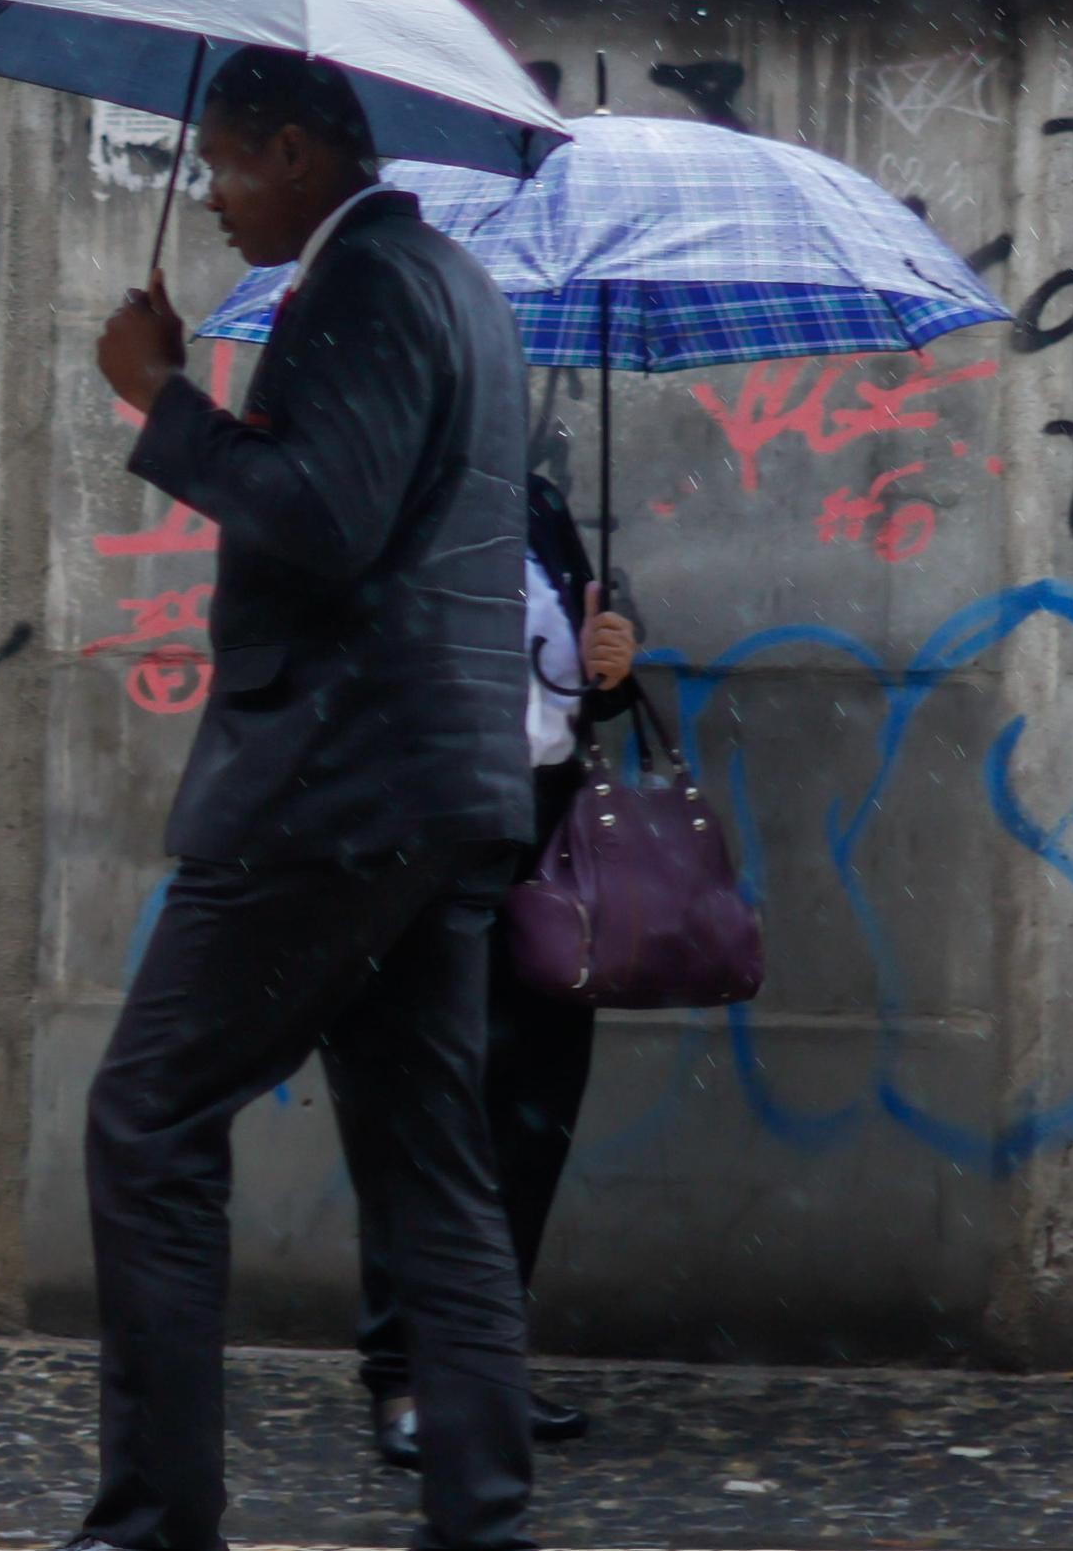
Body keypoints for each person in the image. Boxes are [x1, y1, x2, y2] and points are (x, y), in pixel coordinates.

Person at [76, 46, 540, 1551]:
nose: (208, 200)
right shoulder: (454, 282)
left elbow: (321, 520)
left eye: (221, 163)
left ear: (294, 149)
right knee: (431, 1164)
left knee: (149, 1115)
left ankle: (158, 1522)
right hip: (435, 788)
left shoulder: (363, 287)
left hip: (330, 787)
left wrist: (161, 397)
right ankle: (481, 1519)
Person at [353, 465, 640, 1472]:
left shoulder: (538, 505)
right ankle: (400, 1371)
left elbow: (574, 699)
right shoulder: (389, 495)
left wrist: (613, 662)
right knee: (426, 1112)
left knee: (533, 1109)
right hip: (426, 838)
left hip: (545, 839)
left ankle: (480, 1366)